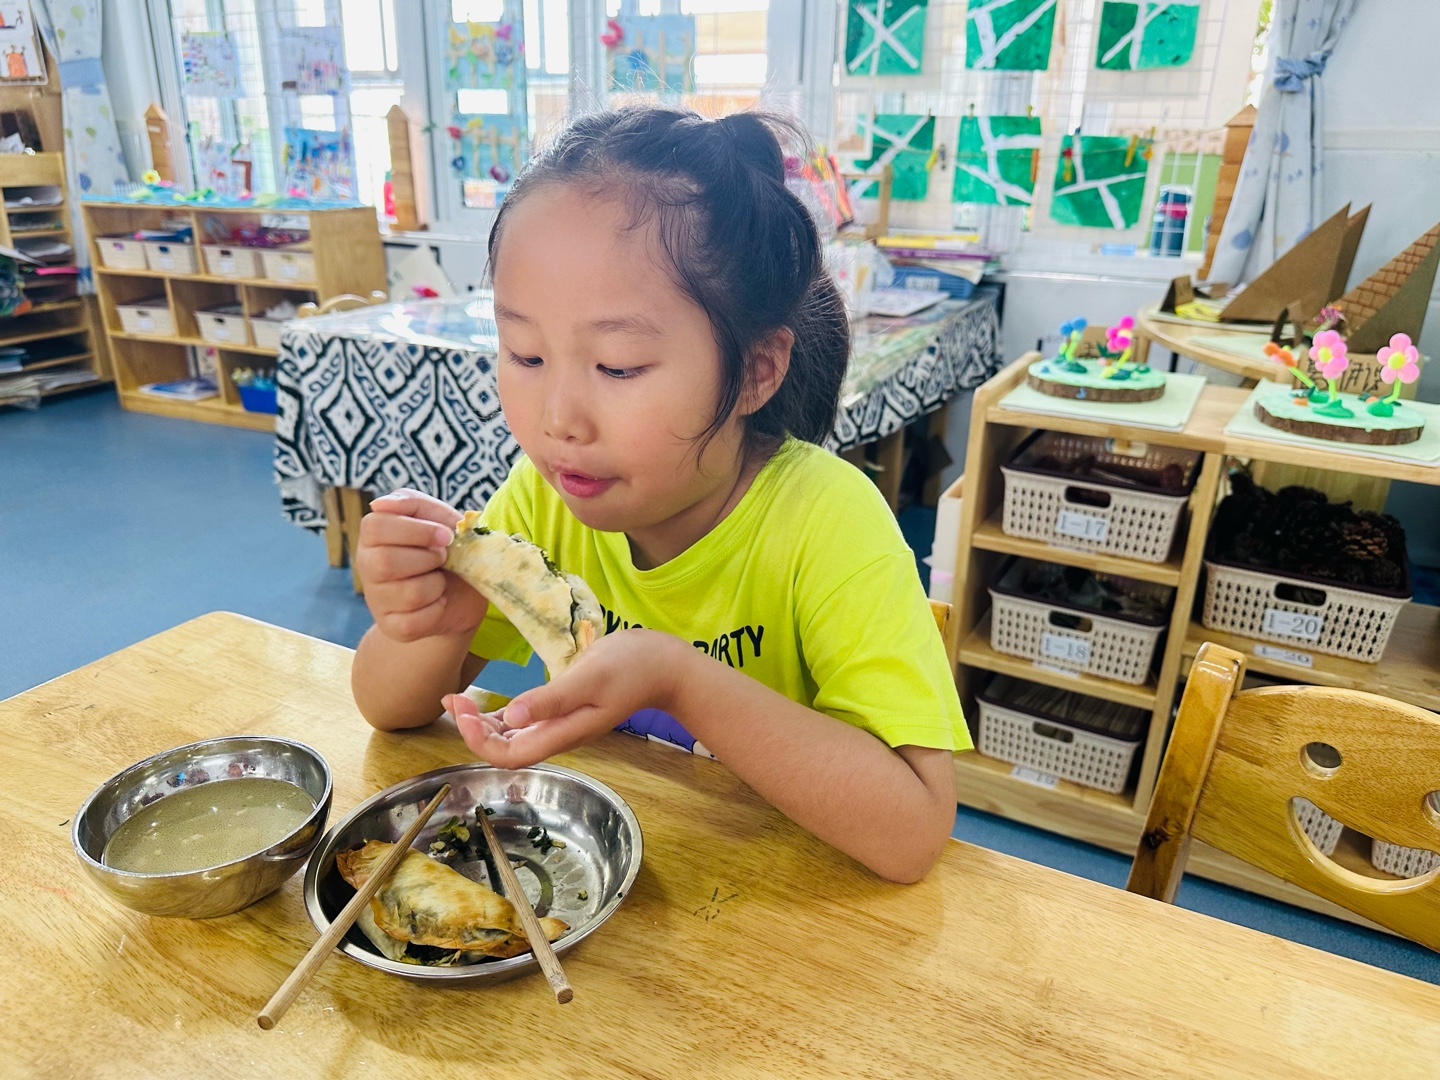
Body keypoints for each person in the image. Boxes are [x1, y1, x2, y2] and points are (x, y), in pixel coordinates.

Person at [351, 107, 970, 883]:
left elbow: (912, 833)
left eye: (618, 367)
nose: (557, 419)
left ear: (756, 371)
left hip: (780, 906)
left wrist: (677, 678)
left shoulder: (828, 523)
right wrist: (438, 624)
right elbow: (387, 708)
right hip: (609, 886)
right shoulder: (544, 501)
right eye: (525, 354)